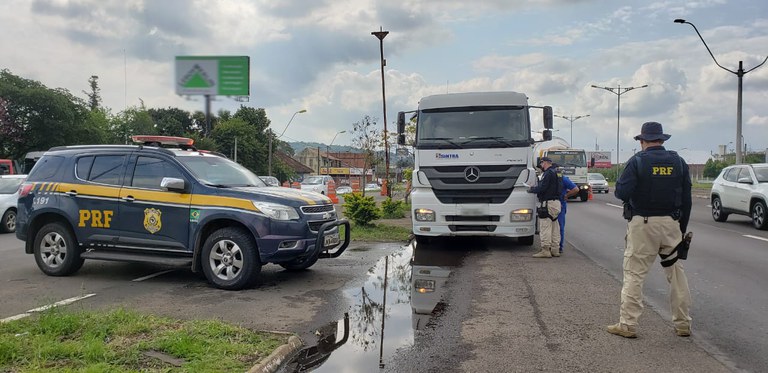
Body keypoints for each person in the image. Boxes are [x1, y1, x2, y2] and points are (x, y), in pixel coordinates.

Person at [607, 121, 692, 339]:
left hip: (643, 224)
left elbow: (622, 193)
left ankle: (628, 324)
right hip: (672, 224)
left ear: (642, 141)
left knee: (635, 273)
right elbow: (687, 199)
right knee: (676, 273)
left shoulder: (637, 162)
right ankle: (683, 324)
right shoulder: (678, 162)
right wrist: (681, 229)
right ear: (662, 140)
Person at [528, 157, 563, 258]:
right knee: (555, 227)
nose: (541, 166)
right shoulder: (558, 173)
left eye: (541, 163)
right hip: (556, 203)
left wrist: (532, 189)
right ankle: (555, 250)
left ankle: (545, 250)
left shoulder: (548, 173)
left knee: (545, 227)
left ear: (545, 163)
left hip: (548, 203)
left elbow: (543, 188)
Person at [557, 174, 580, 254]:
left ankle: (557, 246)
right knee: (560, 226)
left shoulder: (561, 179)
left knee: (558, 226)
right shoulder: (562, 178)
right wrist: (566, 195)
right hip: (560, 204)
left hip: (557, 204)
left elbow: (576, 189)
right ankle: (558, 246)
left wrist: (566, 195)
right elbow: (575, 189)